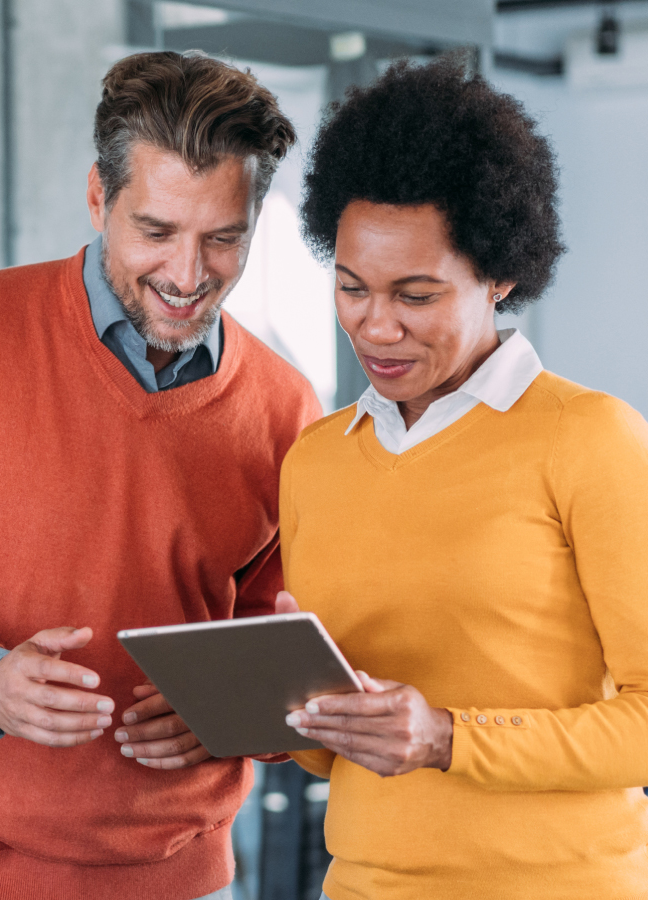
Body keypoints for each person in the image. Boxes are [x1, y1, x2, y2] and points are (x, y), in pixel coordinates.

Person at [0, 51, 321, 900]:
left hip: (183, 881)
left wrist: (225, 712)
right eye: (155, 231)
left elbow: (280, 648)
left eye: (223, 239)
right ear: (97, 197)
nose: (188, 276)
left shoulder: (287, 408)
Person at [276, 55, 648, 899]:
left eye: (416, 295)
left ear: (501, 273)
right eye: (351, 287)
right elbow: (323, 753)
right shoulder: (317, 460)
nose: (377, 327)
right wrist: (291, 700)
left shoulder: (590, 439)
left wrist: (449, 737)